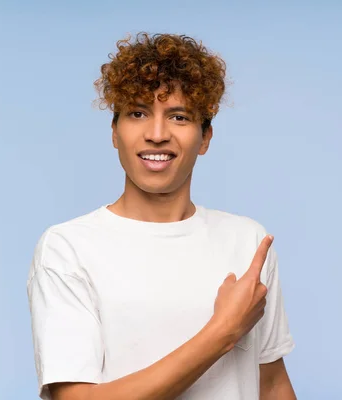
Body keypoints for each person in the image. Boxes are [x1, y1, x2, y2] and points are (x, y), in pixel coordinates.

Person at [27, 32, 296, 400]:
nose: (156, 134)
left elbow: (273, 386)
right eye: (137, 113)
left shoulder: (248, 242)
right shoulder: (68, 248)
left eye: (179, 116)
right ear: (115, 133)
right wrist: (223, 332)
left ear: (205, 138)